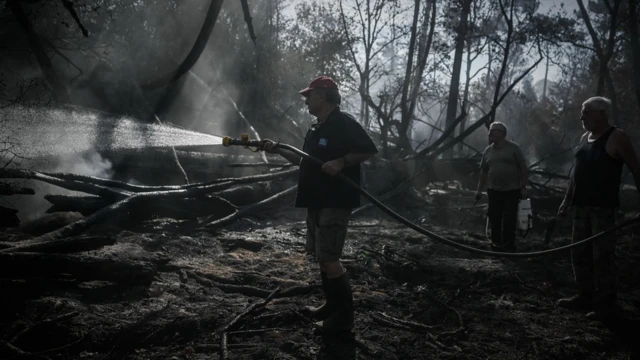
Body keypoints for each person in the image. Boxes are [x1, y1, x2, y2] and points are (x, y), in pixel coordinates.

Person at [260, 76, 378, 332]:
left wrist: (341, 162)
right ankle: (330, 306)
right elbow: (304, 161)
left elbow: (369, 149)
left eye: (309, 96)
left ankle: (344, 318)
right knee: (322, 258)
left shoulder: (343, 123)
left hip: (335, 200)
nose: (306, 102)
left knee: (330, 259)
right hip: (316, 201)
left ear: (322, 96)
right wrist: (277, 149)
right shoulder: (316, 128)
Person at [556, 96, 640, 319]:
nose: (581, 116)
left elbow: (636, 168)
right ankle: (584, 296)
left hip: (602, 209)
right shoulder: (585, 137)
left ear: (601, 113)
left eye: (586, 112)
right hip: (580, 207)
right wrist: (566, 200)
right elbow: (576, 173)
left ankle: (606, 305)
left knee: (602, 256)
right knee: (579, 253)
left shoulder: (617, 136)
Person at [474, 122, 528, 252]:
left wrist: (524, 187)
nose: (490, 133)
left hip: (512, 190)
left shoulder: (513, 148)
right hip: (494, 191)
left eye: (494, 130)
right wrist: (479, 190)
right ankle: (496, 244)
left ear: (502, 133)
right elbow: (484, 172)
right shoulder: (488, 150)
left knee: (509, 219)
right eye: (490, 131)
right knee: (494, 217)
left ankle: (509, 245)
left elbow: (523, 167)